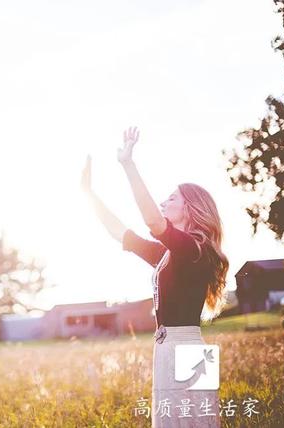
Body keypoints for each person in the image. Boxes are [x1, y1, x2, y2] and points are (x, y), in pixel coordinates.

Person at [80, 126, 228, 427]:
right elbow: (119, 232)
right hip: (169, 348)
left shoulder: (195, 249)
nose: (163, 203)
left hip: (185, 348)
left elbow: (152, 220)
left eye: (171, 199)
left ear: (190, 207)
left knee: (192, 423)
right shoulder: (170, 254)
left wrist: (128, 164)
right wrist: (89, 194)